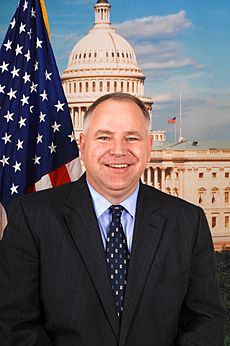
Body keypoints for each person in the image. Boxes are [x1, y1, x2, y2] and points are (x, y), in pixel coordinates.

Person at [0, 92, 225, 345]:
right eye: (104, 137)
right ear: (82, 145)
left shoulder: (187, 222)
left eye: (131, 137)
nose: (118, 151)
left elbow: (206, 321)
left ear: (149, 146)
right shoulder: (32, 217)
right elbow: (15, 324)